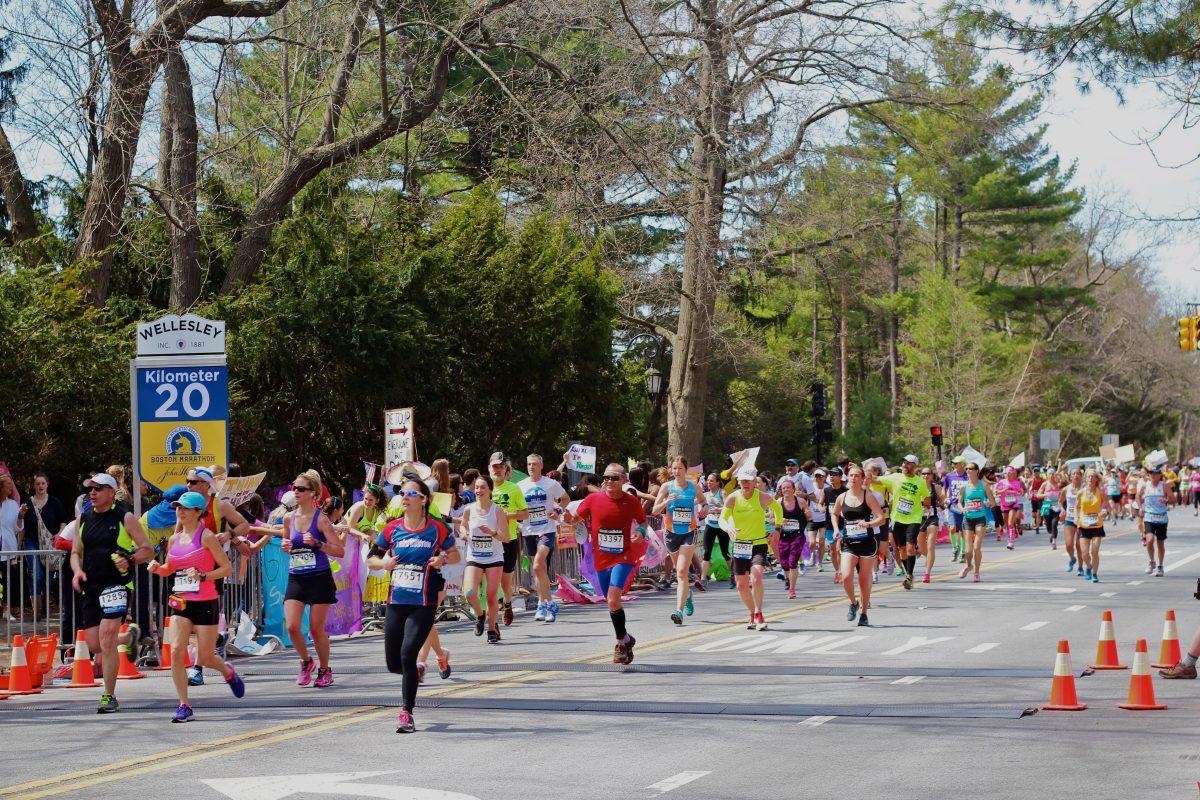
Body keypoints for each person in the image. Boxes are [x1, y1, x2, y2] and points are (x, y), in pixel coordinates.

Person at [367, 478, 458, 733]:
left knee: (408, 654)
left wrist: (442, 558)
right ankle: (415, 669)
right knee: (394, 663)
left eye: (411, 493)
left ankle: (406, 712)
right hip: (396, 601)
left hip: (423, 602)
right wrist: (383, 564)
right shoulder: (392, 529)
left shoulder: (436, 529)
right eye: (402, 493)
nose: (404, 497)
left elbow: (455, 554)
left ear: (424, 499)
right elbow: (371, 558)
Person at [147, 491, 245, 722]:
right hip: (181, 602)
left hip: (205, 601)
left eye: (185, 508)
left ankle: (227, 671)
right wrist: (157, 568)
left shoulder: (207, 536)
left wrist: (203, 575)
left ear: (198, 512)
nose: (180, 511)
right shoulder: (174, 539)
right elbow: (170, 568)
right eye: (178, 507)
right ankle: (184, 704)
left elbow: (227, 568)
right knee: (176, 651)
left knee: (207, 657)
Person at [70, 472, 154, 713]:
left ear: (110, 491)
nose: (92, 493)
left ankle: (109, 695)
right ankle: (128, 638)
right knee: (95, 645)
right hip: (91, 585)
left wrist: (131, 559)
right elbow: (76, 552)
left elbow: (148, 550)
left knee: (106, 639)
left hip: (117, 584)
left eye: (97, 488)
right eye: (90, 489)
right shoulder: (82, 518)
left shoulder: (125, 517)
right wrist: (77, 572)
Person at [567, 463, 647, 664]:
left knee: (613, 599)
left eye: (614, 478)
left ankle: (620, 643)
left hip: (624, 556)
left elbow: (643, 522)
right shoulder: (593, 499)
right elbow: (575, 519)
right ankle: (628, 639)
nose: (609, 482)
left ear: (623, 480)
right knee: (610, 601)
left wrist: (641, 532)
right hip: (601, 558)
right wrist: (565, 518)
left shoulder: (631, 502)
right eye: (606, 478)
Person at [280, 469, 345, 687]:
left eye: (300, 489)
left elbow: (340, 550)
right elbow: (286, 543)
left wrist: (318, 544)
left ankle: (325, 670)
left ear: (312, 494)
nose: (295, 492)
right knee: (291, 626)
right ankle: (307, 662)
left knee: (316, 630)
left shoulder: (321, 520)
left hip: (319, 577)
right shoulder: (288, 518)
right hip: (297, 577)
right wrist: (285, 546)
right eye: (294, 488)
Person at [722, 466, 776, 631]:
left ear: (754, 481)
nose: (745, 483)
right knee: (741, 585)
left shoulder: (762, 497)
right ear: (738, 481)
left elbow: (778, 508)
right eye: (742, 480)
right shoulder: (732, 498)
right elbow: (722, 519)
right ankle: (752, 612)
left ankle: (759, 613)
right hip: (740, 546)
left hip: (759, 544)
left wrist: (777, 528)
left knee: (757, 577)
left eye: (748, 480)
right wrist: (728, 528)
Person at [831, 465, 886, 626]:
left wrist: (868, 524)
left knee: (863, 580)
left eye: (856, 475)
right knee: (846, 576)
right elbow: (834, 514)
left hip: (867, 543)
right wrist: (836, 529)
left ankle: (863, 613)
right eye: (851, 475)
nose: (853, 478)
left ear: (862, 479)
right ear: (847, 477)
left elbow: (880, 518)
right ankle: (854, 603)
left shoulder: (867, 495)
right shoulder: (842, 497)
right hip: (849, 542)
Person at [653, 456, 703, 625]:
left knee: (681, 572)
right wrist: (667, 501)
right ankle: (687, 594)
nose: (676, 471)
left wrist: (704, 509)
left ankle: (678, 611)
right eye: (674, 468)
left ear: (686, 470)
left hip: (689, 531)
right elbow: (654, 510)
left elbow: (704, 503)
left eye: (680, 468)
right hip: (671, 533)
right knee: (678, 571)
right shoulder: (666, 487)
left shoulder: (694, 487)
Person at [520, 454, 568, 623]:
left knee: (538, 564)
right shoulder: (521, 486)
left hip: (546, 529)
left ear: (541, 465)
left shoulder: (551, 484)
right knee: (538, 570)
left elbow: (565, 499)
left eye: (534, 464)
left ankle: (549, 602)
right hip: (528, 530)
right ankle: (543, 603)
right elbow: (518, 508)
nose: (531, 467)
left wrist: (558, 511)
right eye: (528, 464)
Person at [461, 475, 509, 643]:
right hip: (474, 556)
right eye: (477, 487)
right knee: (469, 592)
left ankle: (491, 630)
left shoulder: (497, 510)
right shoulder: (469, 509)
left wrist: (492, 533)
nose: (478, 491)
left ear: (490, 490)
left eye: (482, 487)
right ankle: (480, 615)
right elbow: (463, 524)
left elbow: (507, 538)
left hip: (494, 557)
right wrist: (464, 532)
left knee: (491, 596)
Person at [878, 455, 931, 591]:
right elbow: (876, 480)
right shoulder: (895, 477)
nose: (905, 465)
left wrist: (921, 503)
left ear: (915, 466)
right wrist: (865, 473)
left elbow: (927, 498)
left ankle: (909, 574)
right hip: (897, 518)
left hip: (913, 518)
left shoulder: (920, 482)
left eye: (909, 463)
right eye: (904, 462)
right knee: (901, 550)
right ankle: (909, 574)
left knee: (909, 548)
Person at [486, 453, 527, 626]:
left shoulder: (513, 488)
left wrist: (509, 516)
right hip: (489, 541)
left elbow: (525, 513)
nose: (497, 470)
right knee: (490, 582)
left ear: (506, 470)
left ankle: (508, 604)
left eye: (500, 467)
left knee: (505, 580)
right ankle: (492, 620)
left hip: (508, 539)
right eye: (494, 466)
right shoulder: (484, 488)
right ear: (489, 468)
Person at [958, 463, 995, 583]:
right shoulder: (963, 487)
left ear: (976, 471)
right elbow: (959, 502)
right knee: (968, 551)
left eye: (970, 468)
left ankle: (977, 572)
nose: (968, 470)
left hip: (980, 518)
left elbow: (992, 501)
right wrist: (962, 508)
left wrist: (989, 503)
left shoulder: (983, 485)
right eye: (966, 468)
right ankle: (969, 565)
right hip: (968, 519)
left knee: (976, 547)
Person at [1137, 466, 1174, 577]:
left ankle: (1160, 566)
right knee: (1149, 540)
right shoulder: (1145, 486)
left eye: (1156, 473)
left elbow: (1173, 499)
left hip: (1162, 518)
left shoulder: (1164, 486)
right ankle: (1152, 562)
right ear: (1149, 475)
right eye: (1151, 473)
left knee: (1160, 543)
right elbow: (1137, 496)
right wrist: (1140, 508)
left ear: (1159, 475)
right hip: (1149, 517)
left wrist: (1166, 500)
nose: (1153, 475)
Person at [1074, 470, 1109, 583]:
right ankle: (1088, 566)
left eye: (1092, 476)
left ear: (1096, 479)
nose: (1090, 478)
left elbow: (1108, 507)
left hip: (1097, 525)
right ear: (1085, 478)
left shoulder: (1101, 492)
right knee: (1084, 553)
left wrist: (1104, 512)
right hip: (1084, 525)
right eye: (1088, 476)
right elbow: (1076, 507)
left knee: (1094, 551)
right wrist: (1076, 517)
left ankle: (1094, 574)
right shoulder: (1081, 493)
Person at [775, 477, 806, 599]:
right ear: (781, 490)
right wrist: (779, 520)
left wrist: (808, 514)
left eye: (788, 487)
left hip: (797, 536)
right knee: (784, 562)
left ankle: (792, 589)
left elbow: (808, 514)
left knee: (793, 561)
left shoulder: (800, 502)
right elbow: (771, 519)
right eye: (784, 488)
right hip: (783, 536)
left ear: (793, 489)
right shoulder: (778, 503)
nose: (786, 489)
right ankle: (787, 578)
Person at [699, 473, 730, 588]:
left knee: (725, 552)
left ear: (718, 482)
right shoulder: (705, 494)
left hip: (721, 526)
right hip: (710, 525)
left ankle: (734, 575)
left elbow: (728, 507)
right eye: (708, 480)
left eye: (712, 480)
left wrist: (718, 505)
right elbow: (696, 502)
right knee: (707, 552)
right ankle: (703, 579)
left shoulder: (722, 492)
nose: (709, 482)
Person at [0, 472, 23, 622]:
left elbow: (18, 528)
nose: (11, 489)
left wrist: (20, 515)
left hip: (9, 547)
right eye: (8, 486)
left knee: (8, 581)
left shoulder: (13, 504)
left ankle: (6, 610)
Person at [918, 467, 943, 583]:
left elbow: (943, 499)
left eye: (928, 473)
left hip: (933, 518)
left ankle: (927, 573)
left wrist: (943, 501)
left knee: (931, 544)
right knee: (921, 547)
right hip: (919, 519)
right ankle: (929, 558)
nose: (925, 475)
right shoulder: (917, 488)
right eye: (923, 473)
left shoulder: (936, 488)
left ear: (932, 476)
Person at [942, 457, 970, 563]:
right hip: (952, 506)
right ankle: (955, 549)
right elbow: (944, 489)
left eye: (956, 463)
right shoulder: (949, 476)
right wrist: (945, 498)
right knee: (952, 528)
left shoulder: (968, 476)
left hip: (964, 507)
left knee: (962, 531)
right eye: (953, 463)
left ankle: (963, 552)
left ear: (962, 464)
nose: (953, 464)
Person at [995, 466, 1026, 550]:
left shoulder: (1017, 482)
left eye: (1010, 473)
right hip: (1004, 505)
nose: (1008, 475)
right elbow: (996, 492)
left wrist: (1016, 493)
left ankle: (1011, 542)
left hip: (1013, 505)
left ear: (1013, 474)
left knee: (1010, 523)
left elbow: (1020, 493)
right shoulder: (1002, 482)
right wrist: (1005, 489)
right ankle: (1010, 537)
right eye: (1006, 473)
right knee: (1006, 525)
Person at [1036, 472, 1062, 551]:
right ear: (1047, 475)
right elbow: (1038, 495)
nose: (1051, 475)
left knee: (1054, 524)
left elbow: (1063, 493)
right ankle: (1052, 535)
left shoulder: (1058, 483)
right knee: (1049, 528)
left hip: (1056, 506)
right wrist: (1046, 495)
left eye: (1053, 474)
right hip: (1046, 505)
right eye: (1050, 474)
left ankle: (1054, 542)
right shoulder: (1044, 484)